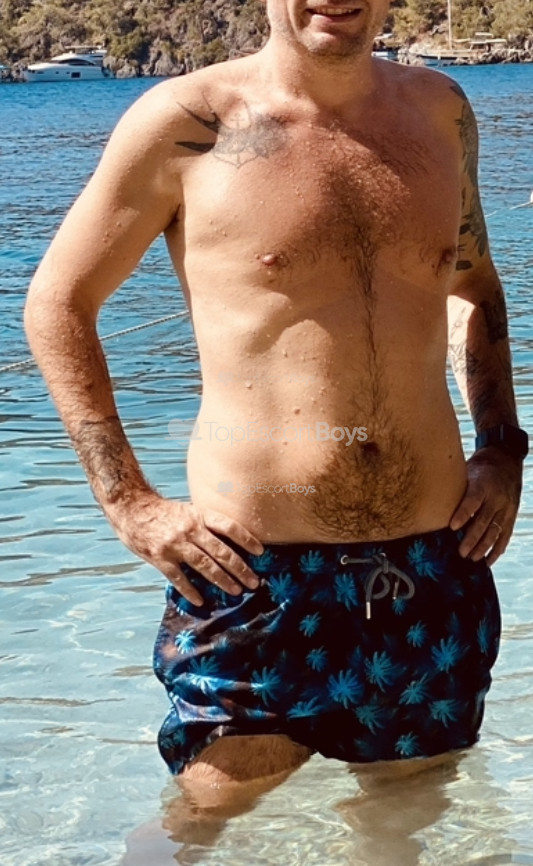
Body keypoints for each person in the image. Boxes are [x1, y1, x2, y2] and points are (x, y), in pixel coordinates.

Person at [25, 0, 526, 798]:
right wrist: (128, 502)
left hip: (434, 562)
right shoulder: (186, 123)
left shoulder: (439, 111)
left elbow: (469, 284)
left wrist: (501, 446)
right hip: (253, 577)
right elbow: (58, 302)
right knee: (205, 822)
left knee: (413, 816)